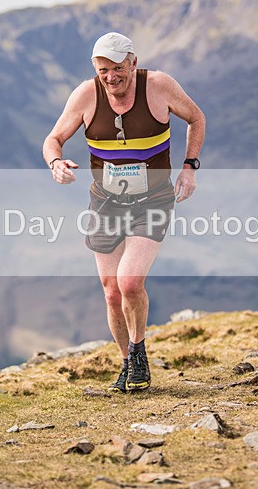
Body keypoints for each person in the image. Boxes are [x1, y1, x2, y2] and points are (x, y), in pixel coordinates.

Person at [43, 32, 205, 392]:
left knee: (130, 282)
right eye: (104, 70)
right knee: (111, 291)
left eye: (118, 68)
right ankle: (126, 364)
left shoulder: (158, 86)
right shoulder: (86, 94)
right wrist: (55, 162)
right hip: (105, 202)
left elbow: (196, 118)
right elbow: (52, 139)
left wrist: (190, 166)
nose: (112, 77)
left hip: (153, 200)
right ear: (95, 68)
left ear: (133, 62)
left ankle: (139, 351)